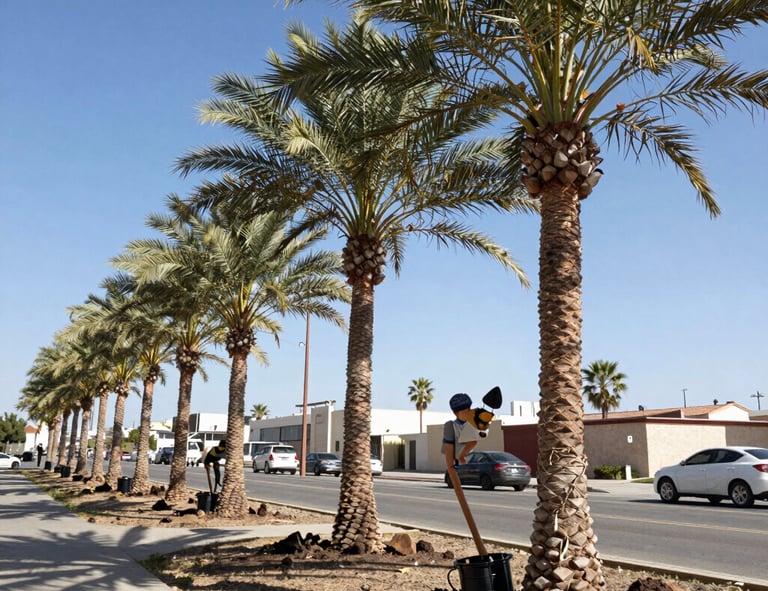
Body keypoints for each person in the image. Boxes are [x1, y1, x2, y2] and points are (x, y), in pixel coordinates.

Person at [442, 393, 479, 470]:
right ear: (456, 413)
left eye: (469, 409)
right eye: (466, 411)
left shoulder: (471, 424)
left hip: (468, 463)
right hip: (458, 464)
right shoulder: (452, 427)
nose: (469, 412)